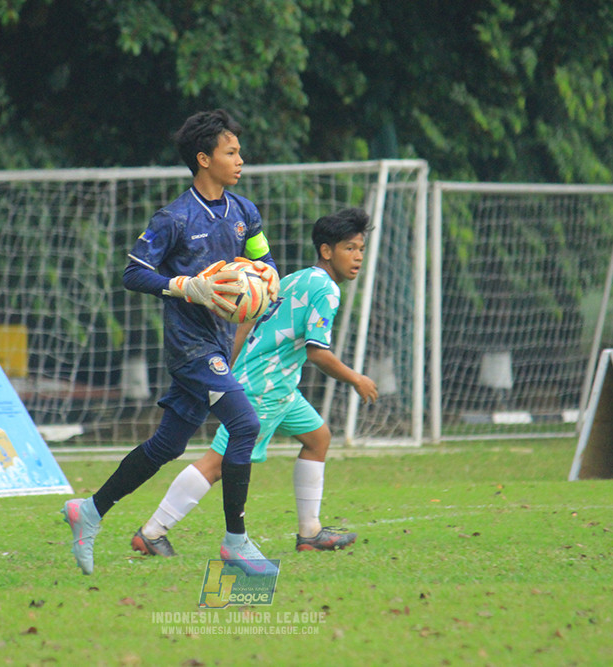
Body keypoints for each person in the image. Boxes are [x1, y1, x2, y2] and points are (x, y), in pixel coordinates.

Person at [61, 109, 280, 576]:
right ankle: (236, 543)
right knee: (245, 425)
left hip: (218, 343)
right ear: (204, 159)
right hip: (190, 349)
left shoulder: (245, 212)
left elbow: (264, 263)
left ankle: (90, 511)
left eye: (239, 152)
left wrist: (267, 286)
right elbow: (133, 273)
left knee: (167, 445)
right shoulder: (174, 218)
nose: (240, 160)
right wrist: (183, 286)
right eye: (231, 152)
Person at [131, 208, 379, 558]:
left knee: (318, 438)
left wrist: (231, 367)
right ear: (327, 251)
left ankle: (310, 532)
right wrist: (357, 379)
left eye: (361, 249)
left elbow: (246, 321)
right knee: (218, 462)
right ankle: (152, 532)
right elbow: (317, 352)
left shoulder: (296, 278)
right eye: (350, 248)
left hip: (277, 385)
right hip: (267, 386)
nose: (358, 257)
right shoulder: (327, 290)